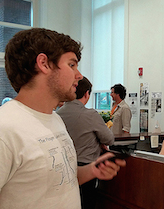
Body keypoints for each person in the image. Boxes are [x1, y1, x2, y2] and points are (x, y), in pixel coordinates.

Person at [0, 28, 125, 209]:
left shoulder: (55, 120)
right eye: (72, 65)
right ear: (44, 63)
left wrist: (92, 170)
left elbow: (63, 178)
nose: (79, 75)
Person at [57, 76, 115, 209]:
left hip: (63, 167)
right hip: (87, 168)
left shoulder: (58, 113)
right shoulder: (89, 114)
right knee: (87, 203)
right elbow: (109, 139)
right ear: (87, 93)